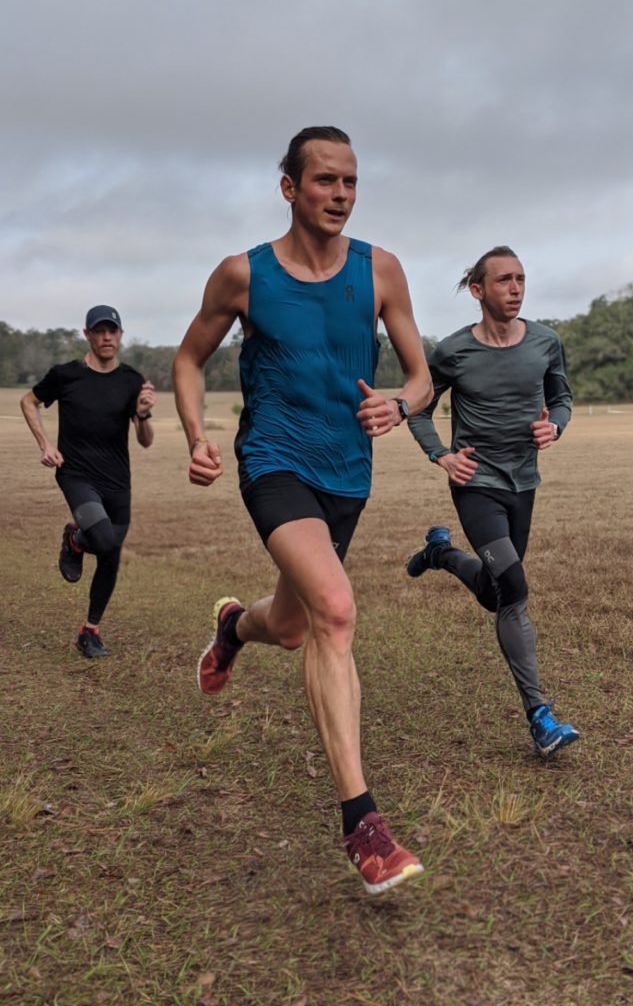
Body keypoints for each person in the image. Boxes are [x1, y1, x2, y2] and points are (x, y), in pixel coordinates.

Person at [172, 126, 433, 895]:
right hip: (273, 463)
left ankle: (233, 628)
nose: (341, 195)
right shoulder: (242, 276)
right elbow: (188, 358)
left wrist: (398, 404)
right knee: (337, 611)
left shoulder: (380, 270)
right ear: (288, 186)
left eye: (350, 182)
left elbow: (420, 377)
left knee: (291, 627)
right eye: (324, 181)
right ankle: (364, 825)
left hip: (346, 475)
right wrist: (196, 434)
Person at [405, 246, 580, 757]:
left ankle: (440, 554)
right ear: (478, 291)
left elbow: (562, 398)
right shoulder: (453, 352)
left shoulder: (546, 342)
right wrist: (441, 455)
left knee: (494, 593)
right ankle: (540, 716)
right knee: (515, 589)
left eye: (521, 278)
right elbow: (419, 410)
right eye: (504, 280)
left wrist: (556, 425)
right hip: (475, 484)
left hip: (523, 483)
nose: (516, 288)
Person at [20, 305, 155, 658]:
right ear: (87, 335)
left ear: (121, 335)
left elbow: (146, 440)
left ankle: (90, 631)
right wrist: (46, 444)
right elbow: (28, 401)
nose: (106, 337)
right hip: (76, 474)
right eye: (99, 331)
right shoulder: (65, 375)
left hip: (117, 481)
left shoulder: (131, 380)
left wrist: (142, 415)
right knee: (105, 540)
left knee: (110, 553)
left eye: (112, 330)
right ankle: (78, 539)